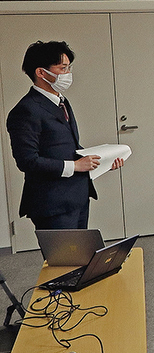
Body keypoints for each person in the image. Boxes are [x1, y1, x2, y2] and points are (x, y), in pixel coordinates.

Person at [6, 41, 123, 230]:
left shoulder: (61, 101)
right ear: (41, 72)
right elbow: (27, 161)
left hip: (77, 196)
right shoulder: (26, 110)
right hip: (52, 203)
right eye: (63, 68)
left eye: (69, 68)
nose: (68, 73)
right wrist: (75, 166)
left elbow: (66, 147)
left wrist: (103, 161)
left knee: (80, 248)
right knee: (63, 251)